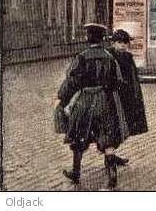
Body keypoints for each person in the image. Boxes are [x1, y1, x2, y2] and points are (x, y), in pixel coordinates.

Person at [55, 23, 128, 189]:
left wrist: (61, 97)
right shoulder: (110, 57)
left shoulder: (81, 56)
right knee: (106, 136)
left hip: (85, 99)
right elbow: (117, 81)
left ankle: (75, 173)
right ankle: (112, 176)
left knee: (79, 134)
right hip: (104, 99)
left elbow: (71, 81)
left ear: (88, 38)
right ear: (102, 39)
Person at [108, 29, 148, 167]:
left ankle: (111, 155)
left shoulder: (128, 57)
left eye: (126, 42)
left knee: (124, 127)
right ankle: (110, 156)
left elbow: (133, 77)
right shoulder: (109, 56)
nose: (123, 45)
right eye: (120, 42)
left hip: (127, 97)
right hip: (113, 97)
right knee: (114, 127)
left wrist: (136, 95)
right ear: (113, 43)